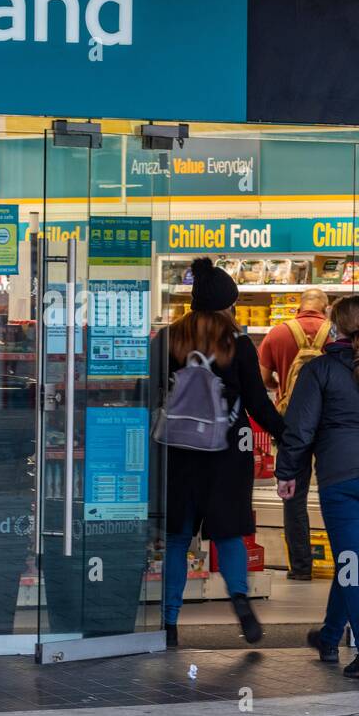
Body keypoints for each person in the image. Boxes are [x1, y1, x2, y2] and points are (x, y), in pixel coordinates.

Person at [152, 257, 287, 647]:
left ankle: (169, 623)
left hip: (177, 452)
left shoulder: (168, 339)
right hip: (226, 454)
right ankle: (240, 599)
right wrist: (289, 437)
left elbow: (149, 391)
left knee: (177, 539)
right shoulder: (237, 343)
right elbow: (258, 404)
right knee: (229, 535)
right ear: (226, 305)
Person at [275, 295, 359, 679]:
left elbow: (299, 430)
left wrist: (286, 473)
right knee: (350, 559)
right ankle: (329, 636)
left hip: (344, 480)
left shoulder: (319, 370)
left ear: (333, 327)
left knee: (352, 565)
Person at [259, 288, 330, 581]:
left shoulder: (277, 334)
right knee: (333, 492)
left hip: (291, 422)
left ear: (299, 307)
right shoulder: (334, 333)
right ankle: (346, 563)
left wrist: (281, 387)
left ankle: (301, 567)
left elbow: (262, 379)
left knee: (294, 495)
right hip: (330, 423)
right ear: (326, 308)